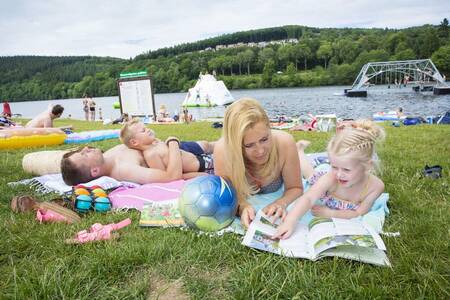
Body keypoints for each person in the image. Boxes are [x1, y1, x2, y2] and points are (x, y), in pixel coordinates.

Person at [273, 120, 385, 240]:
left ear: (368, 166)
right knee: (310, 175)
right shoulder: (332, 177)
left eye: (346, 170)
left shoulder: (375, 187)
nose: (339, 174)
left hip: (333, 202)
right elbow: (309, 198)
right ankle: (299, 151)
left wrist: (330, 213)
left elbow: (359, 213)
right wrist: (290, 220)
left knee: (315, 174)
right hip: (325, 186)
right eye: (334, 166)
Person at [213, 98, 303, 228]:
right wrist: (242, 207)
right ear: (235, 145)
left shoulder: (284, 143)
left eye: (264, 139)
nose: (260, 151)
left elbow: (295, 188)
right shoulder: (223, 151)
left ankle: (300, 150)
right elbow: (227, 195)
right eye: (249, 145)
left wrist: (281, 203)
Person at [60, 137, 183, 186]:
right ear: (95, 170)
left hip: (171, 149)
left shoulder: (106, 157)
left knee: (203, 143)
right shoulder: (125, 170)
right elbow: (172, 177)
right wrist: (173, 142)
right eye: (84, 154)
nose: (86, 148)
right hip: (179, 155)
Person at [120, 119, 214, 177]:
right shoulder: (151, 155)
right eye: (143, 130)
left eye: (146, 127)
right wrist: (199, 175)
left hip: (202, 158)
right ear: (134, 142)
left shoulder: (155, 143)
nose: (148, 129)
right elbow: (168, 176)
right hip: (203, 167)